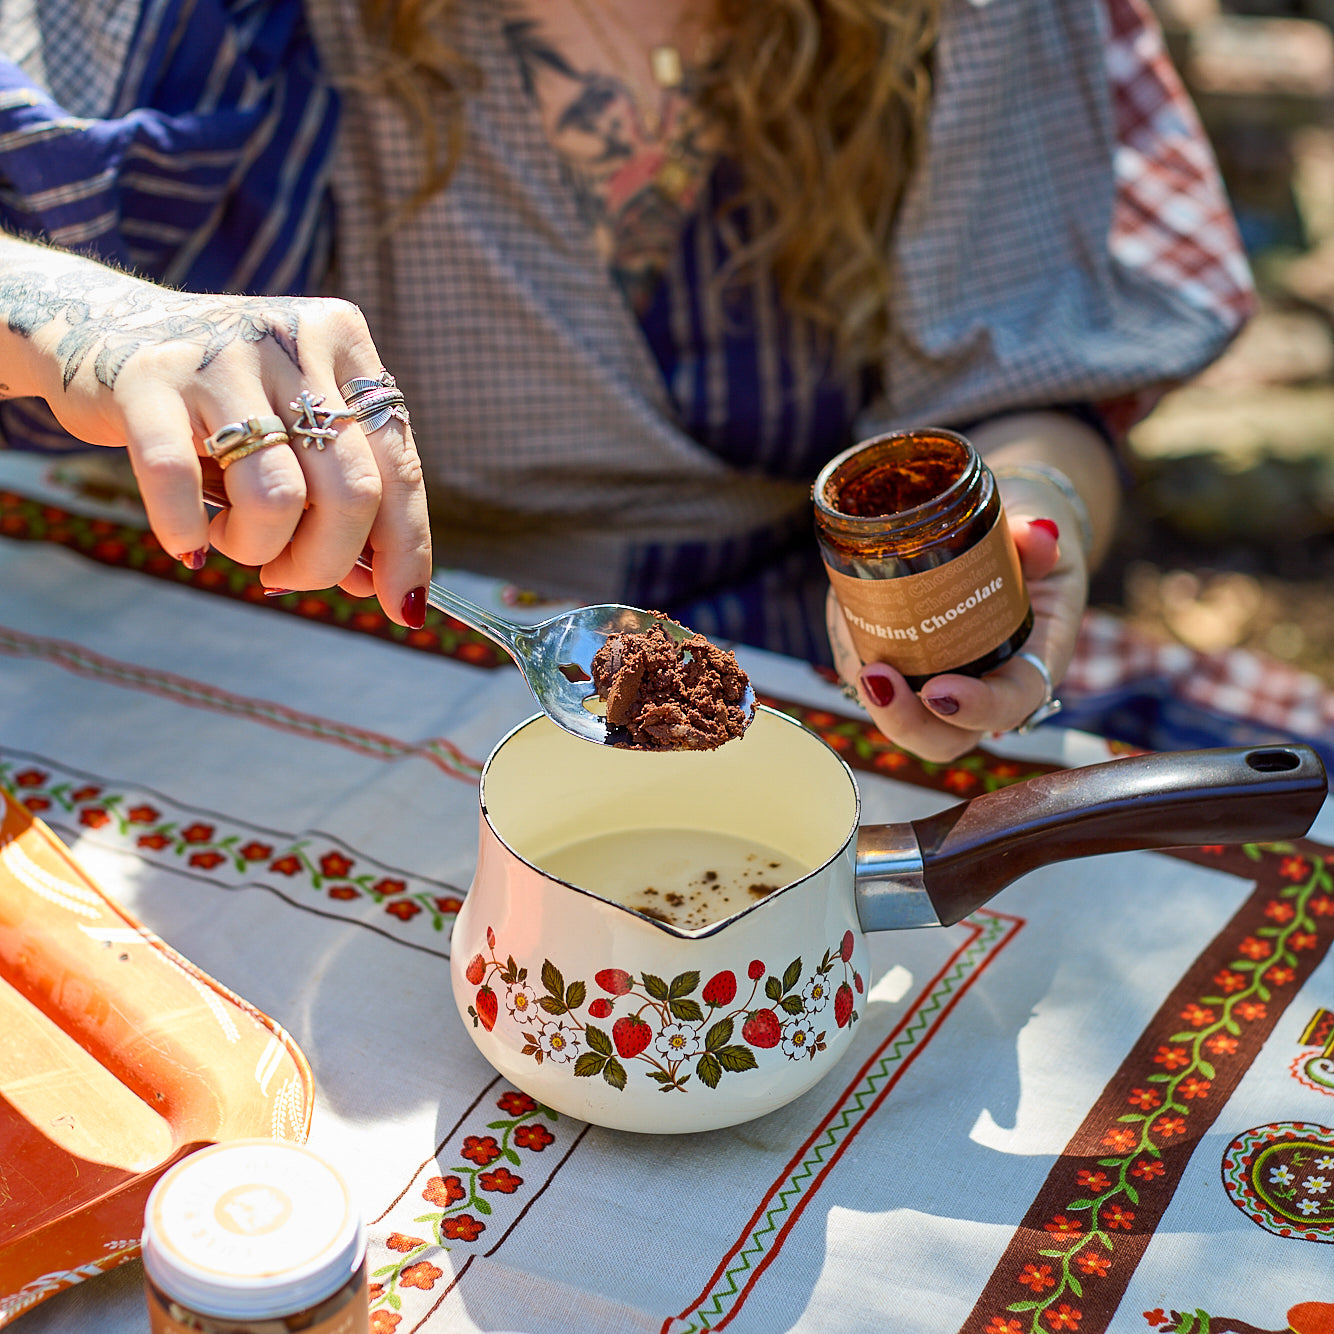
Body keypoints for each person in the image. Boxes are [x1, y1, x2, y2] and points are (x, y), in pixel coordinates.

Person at [0, 0, 1253, 761]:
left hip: (807, 661)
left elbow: (1016, 384)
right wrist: (91, 317)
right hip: (317, 630)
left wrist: (1021, 524)